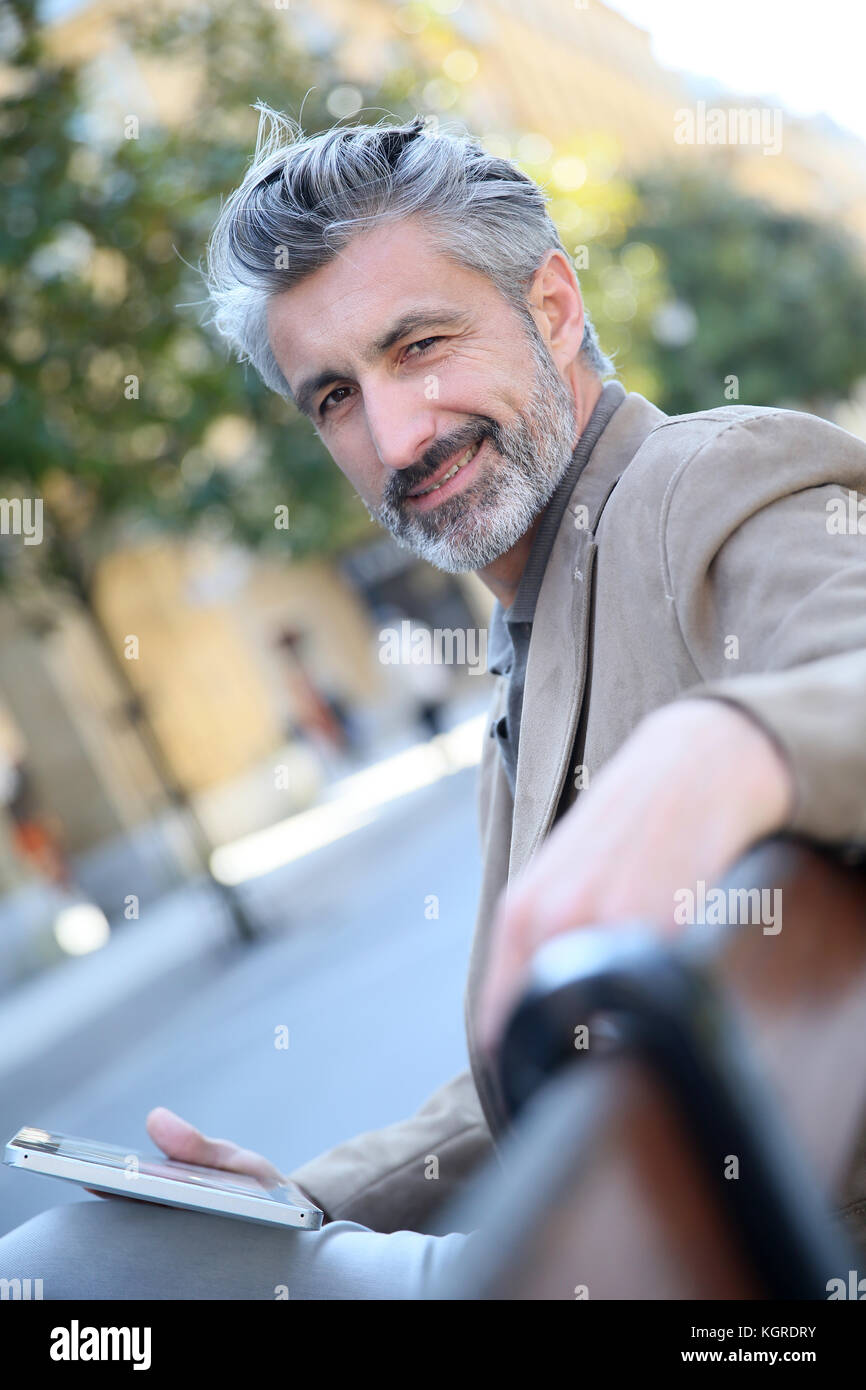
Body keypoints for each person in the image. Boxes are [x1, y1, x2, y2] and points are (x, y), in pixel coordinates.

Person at [3, 109, 866, 1297]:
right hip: (645, 1250)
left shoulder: (704, 481)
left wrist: (729, 748)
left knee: (71, 1273)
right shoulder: (537, 616)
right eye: (334, 397)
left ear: (552, 309)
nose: (395, 434)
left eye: (418, 344)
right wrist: (304, 1198)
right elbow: (553, 1057)